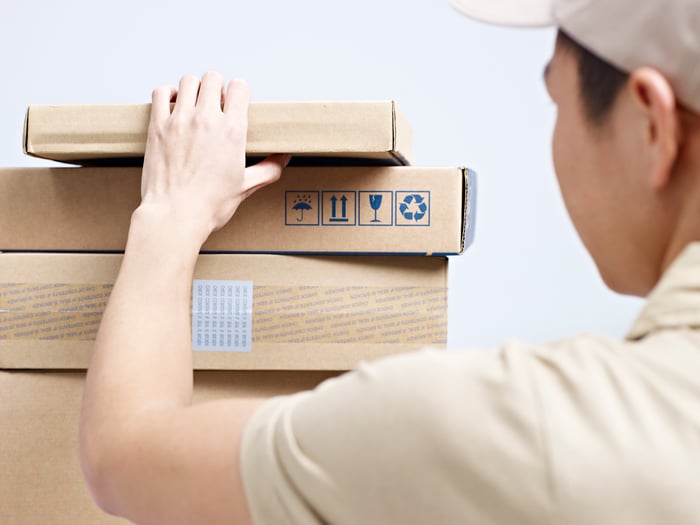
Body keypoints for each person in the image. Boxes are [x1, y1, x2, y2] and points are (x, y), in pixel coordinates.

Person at [79, 0, 700, 523]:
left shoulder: (514, 427)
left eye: (555, 101)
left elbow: (123, 455)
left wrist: (169, 214)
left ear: (654, 126)